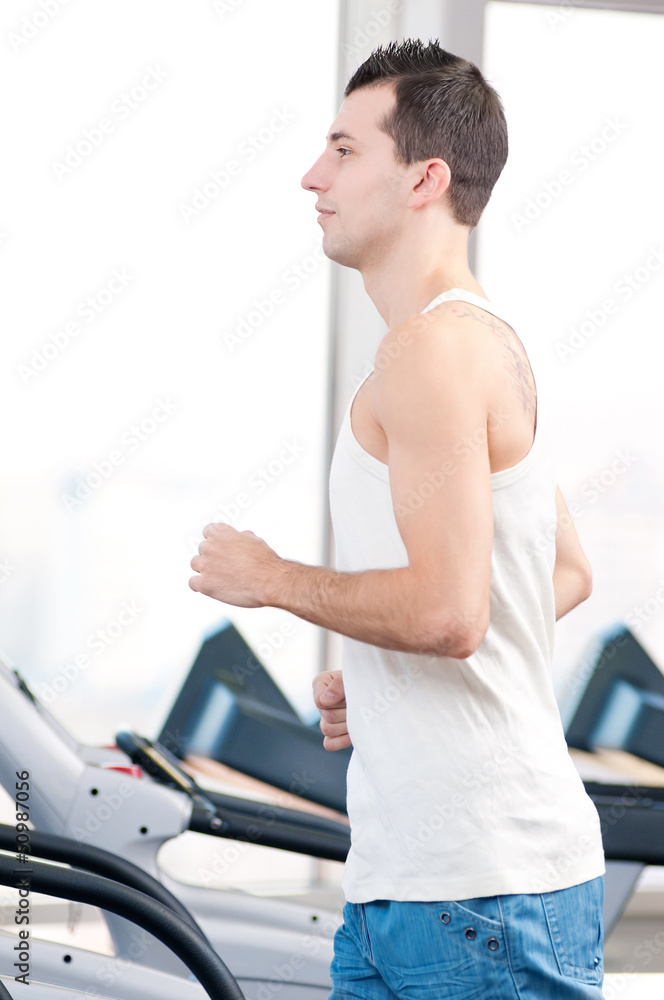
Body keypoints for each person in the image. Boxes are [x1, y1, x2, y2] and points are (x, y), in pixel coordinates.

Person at [189, 37, 606, 999]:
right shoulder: (458, 344)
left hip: (482, 902)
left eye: (343, 150)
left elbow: (453, 614)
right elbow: (565, 568)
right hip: (415, 892)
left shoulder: (435, 352)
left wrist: (275, 581)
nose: (311, 176)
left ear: (424, 178)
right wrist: (384, 661)